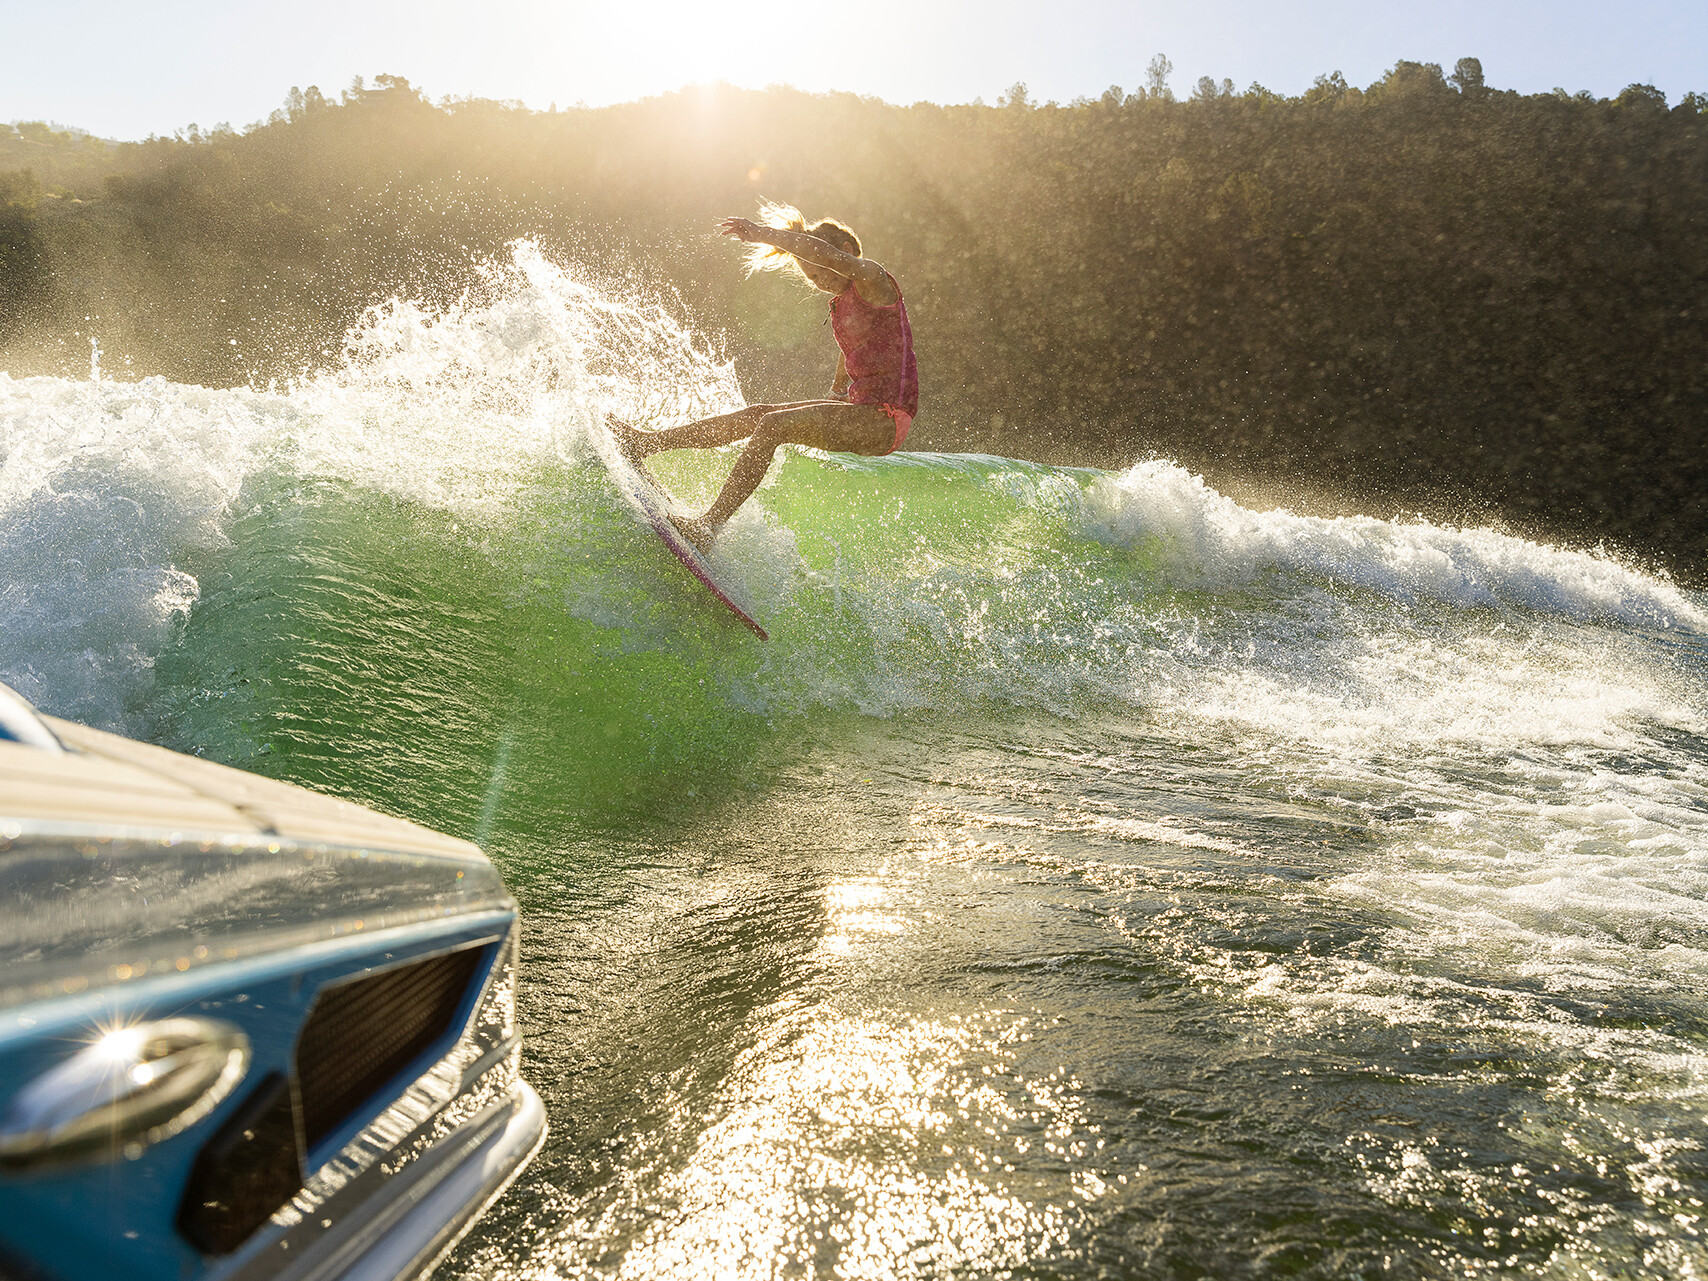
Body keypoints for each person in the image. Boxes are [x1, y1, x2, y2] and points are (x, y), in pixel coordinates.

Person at [611, 203, 919, 550]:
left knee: (773, 425)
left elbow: (822, 253)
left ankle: (709, 527)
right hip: (865, 410)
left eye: (821, 273)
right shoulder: (844, 299)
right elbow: (853, 344)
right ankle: (645, 444)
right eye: (811, 278)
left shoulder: (872, 277)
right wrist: (836, 390)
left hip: (885, 417)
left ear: (844, 253)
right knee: (759, 415)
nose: (818, 283)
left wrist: (760, 234)